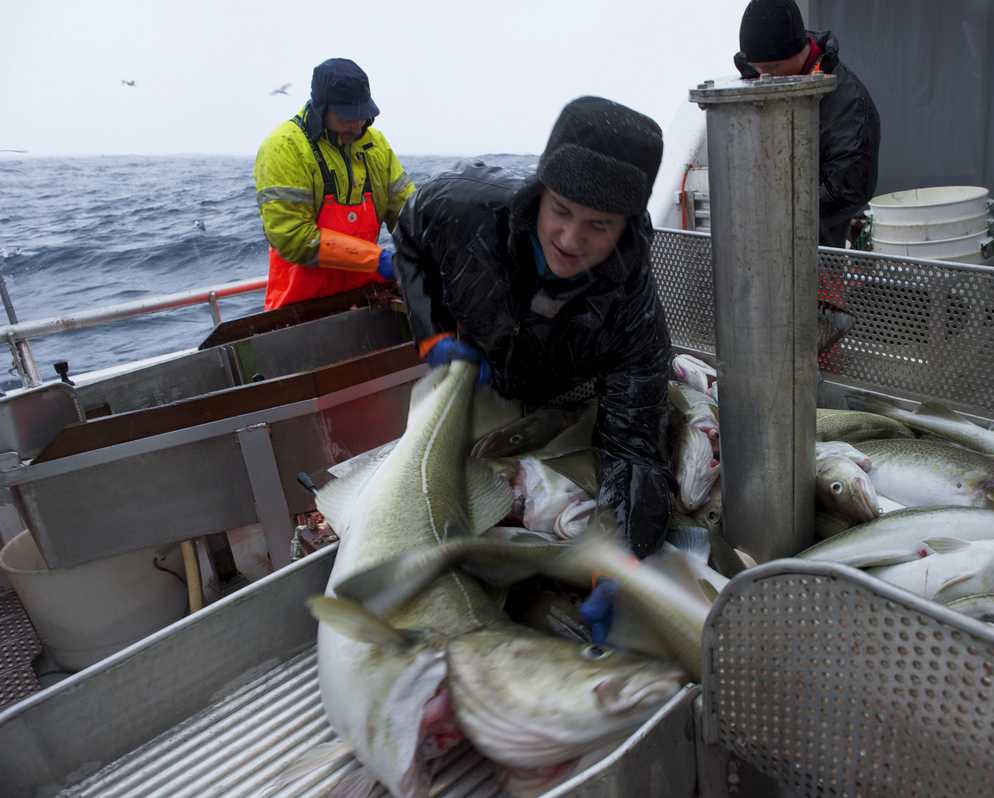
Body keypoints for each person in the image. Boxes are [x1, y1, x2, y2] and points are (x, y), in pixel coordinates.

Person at [393, 96, 674, 581]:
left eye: (598, 225)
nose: (569, 239)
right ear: (540, 193)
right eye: (560, 210)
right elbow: (407, 240)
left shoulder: (635, 312)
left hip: (565, 394)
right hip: (478, 372)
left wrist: (622, 553)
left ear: (626, 227)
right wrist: (432, 334)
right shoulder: (461, 206)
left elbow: (633, 446)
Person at [254, 58, 415, 310]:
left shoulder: (376, 145)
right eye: (346, 117)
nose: (358, 124)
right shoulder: (284, 148)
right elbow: (293, 238)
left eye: (362, 114)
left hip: (367, 300)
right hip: (300, 311)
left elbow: (409, 213)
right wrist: (378, 259)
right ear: (321, 109)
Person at [734, 0, 881, 248]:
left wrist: (779, 212)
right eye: (756, 69)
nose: (763, 78)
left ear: (799, 51)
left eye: (772, 68)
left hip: (818, 248)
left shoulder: (847, 102)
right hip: (758, 239)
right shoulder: (758, 72)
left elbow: (849, 189)